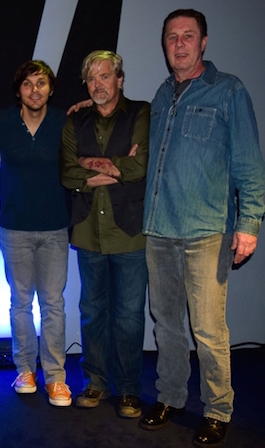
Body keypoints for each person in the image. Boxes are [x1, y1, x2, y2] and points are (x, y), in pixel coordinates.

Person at [139, 9, 265, 447]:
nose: (179, 43)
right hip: (159, 230)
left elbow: (249, 164)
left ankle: (217, 409)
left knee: (209, 329)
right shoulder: (160, 96)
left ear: (204, 42)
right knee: (167, 325)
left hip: (207, 231)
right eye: (172, 36)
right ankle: (171, 398)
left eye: (188, 35)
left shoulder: (227, 90)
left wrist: (248, 224)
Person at [59, 50, 150, 418]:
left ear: (120, 80)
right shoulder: (74, 119)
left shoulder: (141, 113)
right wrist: (112, 167)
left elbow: (139, 165)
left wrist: (88, 163)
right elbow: (66, 172)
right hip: (87, 232)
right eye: (92, 78)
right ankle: (95, 383)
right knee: (92, 312)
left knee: (128, 316)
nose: (98, 83)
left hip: (129, 232)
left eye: (105, 76)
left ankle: (128, 389)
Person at [0, 60, 72, 406]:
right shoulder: (3, 122)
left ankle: (56, 378)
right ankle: (25, 370)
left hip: (54, 226)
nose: (35, 90)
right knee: (20, 303)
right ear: (18, 89)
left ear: (50, 88)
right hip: (15, 226)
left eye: (42, 83)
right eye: (28, 84)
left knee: (53, 304)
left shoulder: (64, 121)